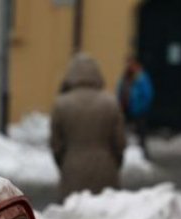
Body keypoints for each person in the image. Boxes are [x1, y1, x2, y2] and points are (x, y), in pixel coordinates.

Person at [50, 53, 126, 197]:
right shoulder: (110, 103)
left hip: (72, 167)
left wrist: (64, 162)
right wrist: (116, 163)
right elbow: (119, 142)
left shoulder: (61, 104)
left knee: (72, 215)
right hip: (106, 168)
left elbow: (56, 144)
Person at [117, 56, 154, 158]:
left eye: (131, 64)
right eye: (128, 63)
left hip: (139, 109)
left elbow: (147, 94)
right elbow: (120, 89)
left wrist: (141, 107)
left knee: (140, 133)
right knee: (126, 132)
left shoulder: (141, 77)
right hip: (126, 108)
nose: (129, 66)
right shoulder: (125, 77)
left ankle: (143, 154)